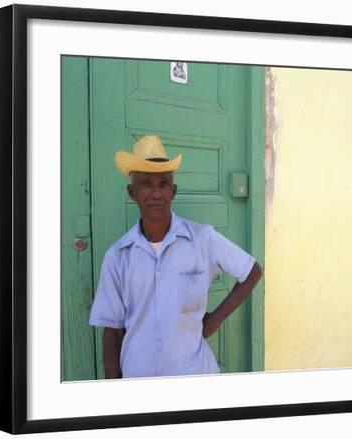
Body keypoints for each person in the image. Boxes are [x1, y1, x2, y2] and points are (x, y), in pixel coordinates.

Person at [88, 135, 262, 379]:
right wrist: (115, 393)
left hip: (194, 376)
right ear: (132, 192)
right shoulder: (118, 256)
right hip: (139, 380)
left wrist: (215, 320)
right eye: (146, 183)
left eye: (163, 184)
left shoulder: (203, 239)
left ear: (174, 191)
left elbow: (252, 271)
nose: (156, 193)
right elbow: (112, 331)